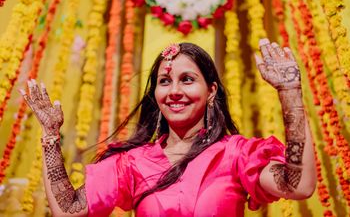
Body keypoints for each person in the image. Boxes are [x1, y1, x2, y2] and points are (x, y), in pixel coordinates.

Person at [20, 39, 316, 217]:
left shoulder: (236, 155)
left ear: (211, 90)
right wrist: (49, 136)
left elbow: (298, 185)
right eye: (165, 81)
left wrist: (290, 93)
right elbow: (67, 209)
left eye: (187, 79)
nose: (174, 90)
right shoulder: (133, 163)